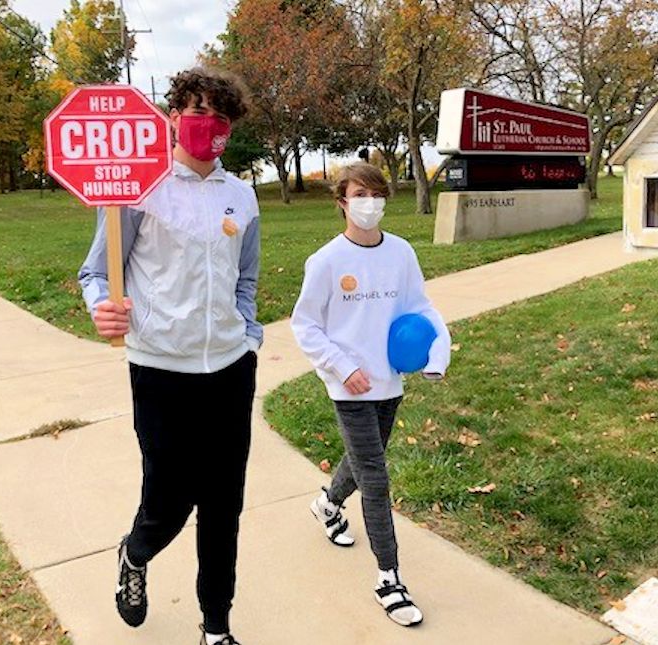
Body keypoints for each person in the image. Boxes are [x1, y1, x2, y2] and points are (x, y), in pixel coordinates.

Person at [78, 67, 261, 645]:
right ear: (173, 118)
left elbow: (246, 279)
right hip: (160, 370)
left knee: (224, 504)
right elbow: (95, 272)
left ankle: (216, 626)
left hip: (230, 369)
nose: (208, 123)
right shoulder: (140, 189)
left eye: (220, 115)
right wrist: (102, 306)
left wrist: (248, 334)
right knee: (169, 498)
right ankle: (135, 553)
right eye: (197, 110)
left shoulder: (242, 195)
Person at [290, 163, 451, 627]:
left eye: (377, 193)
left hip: (389, 380)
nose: (370, 202)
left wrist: (435, 354)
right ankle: (389, 577)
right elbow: (306, 325)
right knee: (376, 479)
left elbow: (420, 306)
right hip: (348, 386)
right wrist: (342, 367)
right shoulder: (325, 262)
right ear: (342, 200)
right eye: (360, 193)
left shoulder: (400, 253)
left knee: (364, 461)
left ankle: (326, 504)